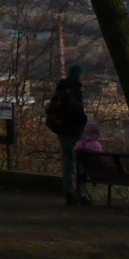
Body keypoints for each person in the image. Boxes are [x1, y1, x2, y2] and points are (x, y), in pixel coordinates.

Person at [45, 62, 87, 206]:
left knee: (67, 161)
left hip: (62, 130)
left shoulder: (60, 89)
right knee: (79, 162)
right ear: (79, 75)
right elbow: (76, 110)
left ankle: (69, 192)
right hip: (74, 130)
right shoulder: (74, 89)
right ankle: (80, 193)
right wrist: (84, 120)